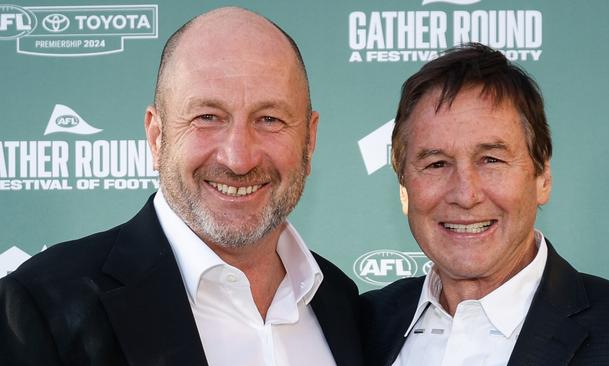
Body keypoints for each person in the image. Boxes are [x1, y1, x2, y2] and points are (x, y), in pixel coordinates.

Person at [0, 7, 363, 366]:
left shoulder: (344, 303)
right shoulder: (44, 305)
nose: (239, 158)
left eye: (269, 119)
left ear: (310, 139)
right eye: (207, 117)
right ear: (157, 136)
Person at [361, 43, 609, 366]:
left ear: (543, 177)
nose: (465, 194)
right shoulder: (359, 328)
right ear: (404, 184)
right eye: (437, 164)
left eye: (491, 160)